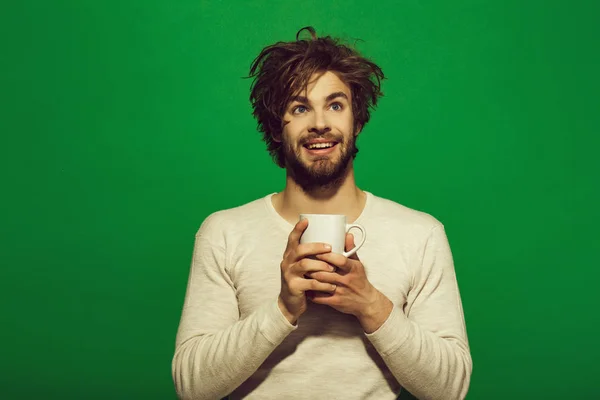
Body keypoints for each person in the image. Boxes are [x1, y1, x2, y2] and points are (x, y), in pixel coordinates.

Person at [172, 26, 472, 400]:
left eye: (335, 105)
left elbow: (451, 389)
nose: (319, 123)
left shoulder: (420, 234)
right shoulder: (224, 232)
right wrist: (283, 309)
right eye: (299, 107)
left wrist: (371, 305)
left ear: (357, 122)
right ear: (277, 129)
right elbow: (192, 387)